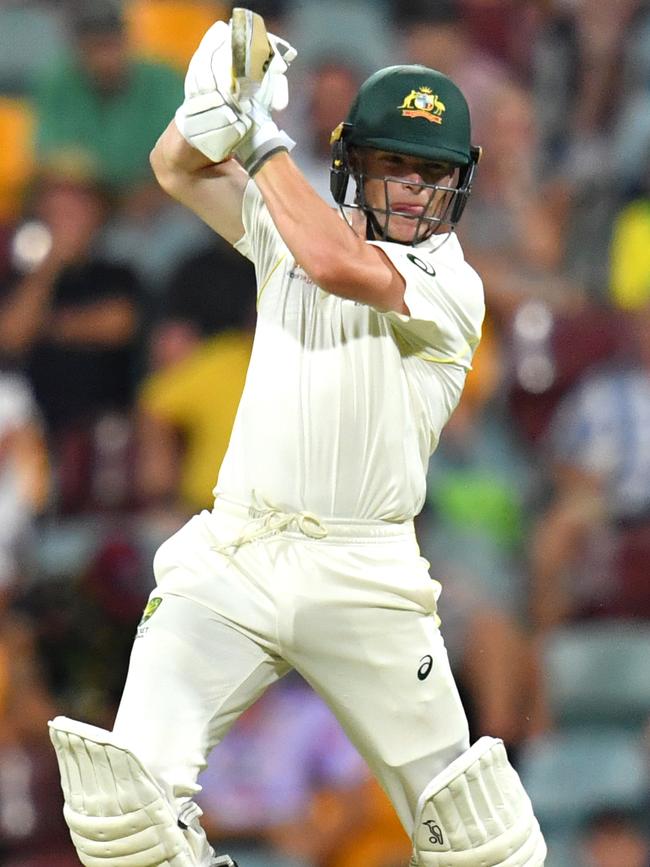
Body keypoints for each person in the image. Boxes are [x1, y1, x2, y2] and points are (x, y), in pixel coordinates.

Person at [48, 8, 546, 867]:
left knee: (481, 844)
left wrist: (261, 138)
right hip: (235, 551)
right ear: (352, 164)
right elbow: (174, 168)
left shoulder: (450, 281)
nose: (413, 191)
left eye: (430, 173)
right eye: (393, 166)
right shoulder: (297, 230)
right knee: (124, 814)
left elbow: (334, 264)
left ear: (458, 184)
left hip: (367, 575)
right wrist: (210, 102)